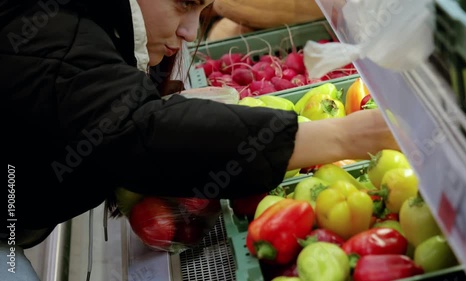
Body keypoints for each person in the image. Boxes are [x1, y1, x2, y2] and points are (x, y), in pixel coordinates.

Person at [1, 0, 399, 280]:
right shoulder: (50, 31)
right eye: (183, 4)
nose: (190, 32)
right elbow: (140, 129)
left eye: (200, 11)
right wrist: (350, 134)